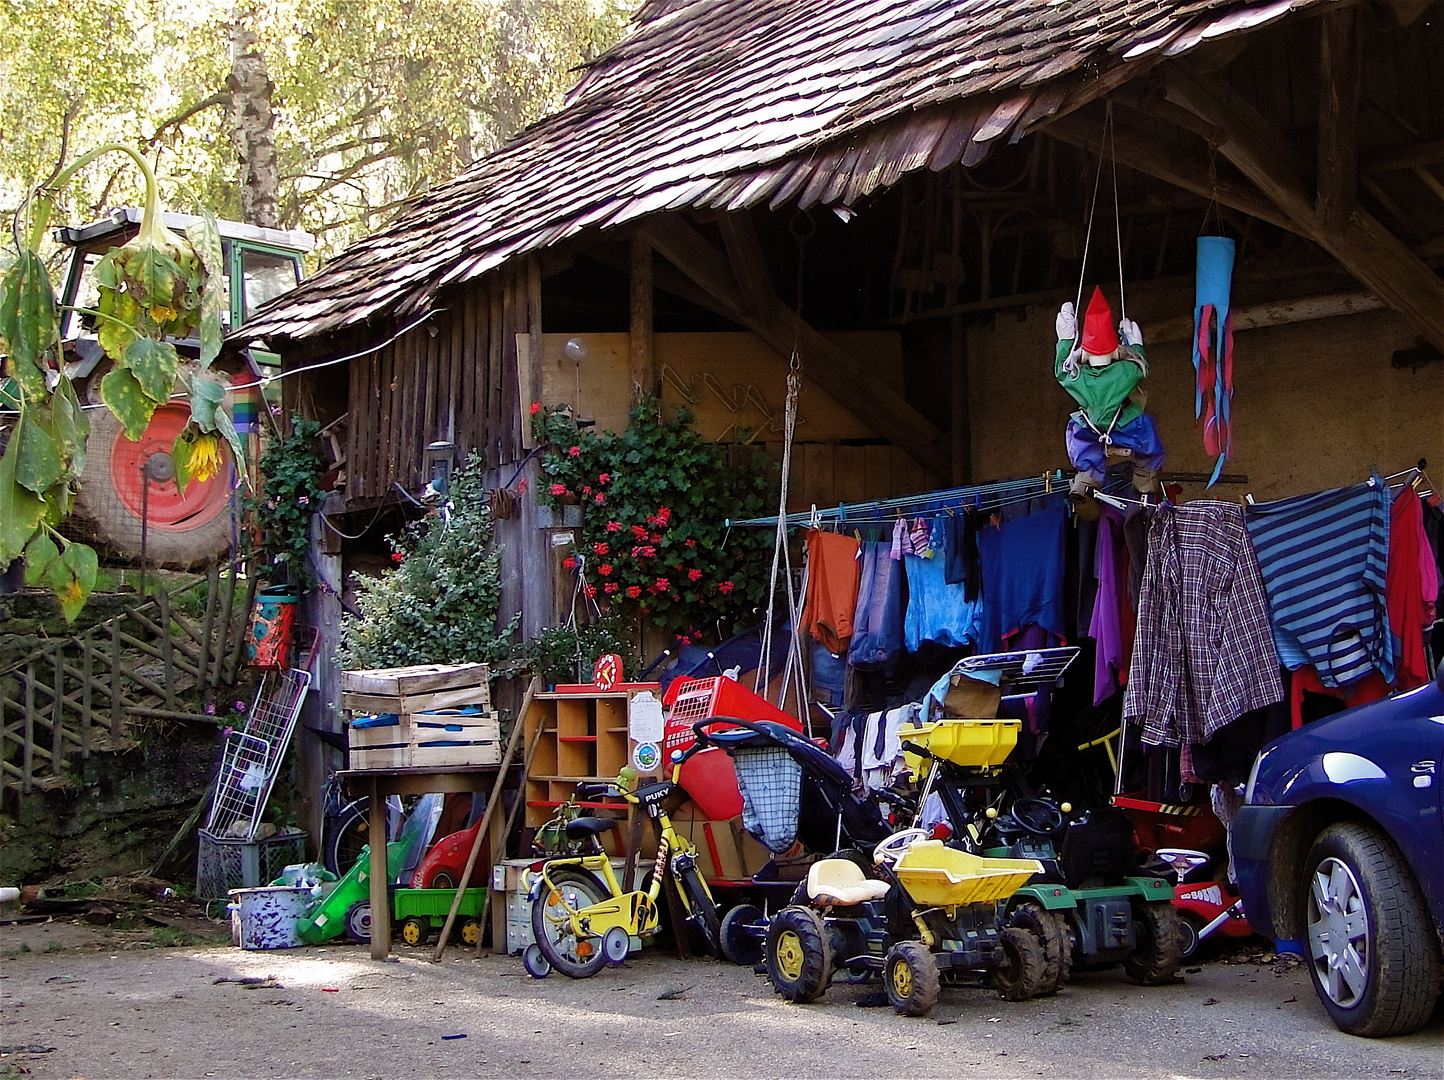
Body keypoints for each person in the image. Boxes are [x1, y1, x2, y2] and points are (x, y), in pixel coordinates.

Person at [1054, 286, 1164, 502]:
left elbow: (1061, 370)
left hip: (1089, 429)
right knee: (1148, 435)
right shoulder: (1125, 372)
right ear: (1114, 352)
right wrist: (1134, 345)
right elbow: (1142, 367)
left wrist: (1065, 340)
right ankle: (1146, 483)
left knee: (1076, 435)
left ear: (1084, 353)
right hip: (1125, 426)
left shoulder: (1078, 376)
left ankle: (1085, 482)